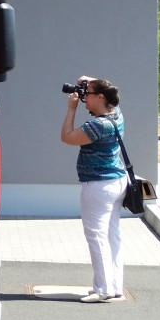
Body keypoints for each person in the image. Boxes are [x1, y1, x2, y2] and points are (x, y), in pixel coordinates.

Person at [60, 76, 127, 303]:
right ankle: (115, 285)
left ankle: (103, 289)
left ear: (100, 97)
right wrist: (91, 80)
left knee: (96, 237)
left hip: (98, 185)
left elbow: (67, 137)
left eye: (87, 93)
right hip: (117, 182)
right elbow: (110, 93)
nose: (82, 97)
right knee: (112, 236)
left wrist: (71, 109)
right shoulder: (116, 114)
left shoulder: (97, 125)